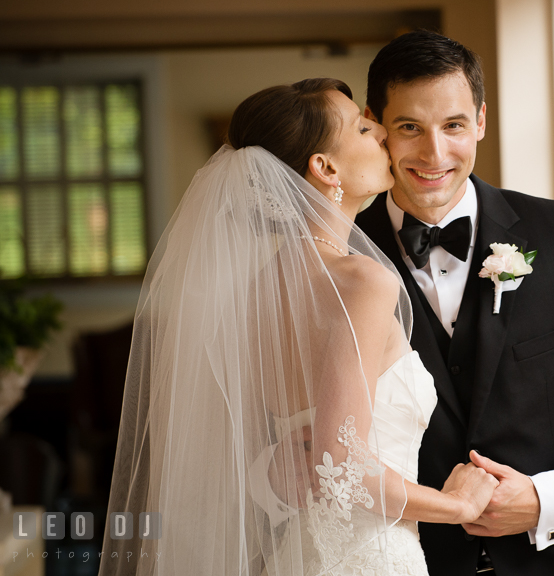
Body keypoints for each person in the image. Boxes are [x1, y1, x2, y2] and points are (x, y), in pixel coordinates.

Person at [99, 78, 499, 576]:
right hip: (370, 559)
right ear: (325, 167)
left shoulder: (254, 294)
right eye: (361, 126)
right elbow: (341, 464)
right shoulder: (362, 281)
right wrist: (457, 507)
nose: (379, 132)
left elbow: (264, 455)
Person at [356, 30, 554, 576]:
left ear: (481, 120)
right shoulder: (335, 259)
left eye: (454, 125)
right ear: (375, 125)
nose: (435, 153)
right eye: (410, 127)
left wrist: (546, 501)